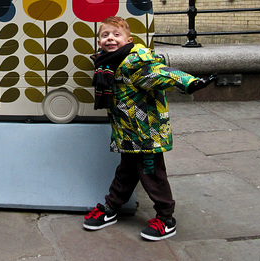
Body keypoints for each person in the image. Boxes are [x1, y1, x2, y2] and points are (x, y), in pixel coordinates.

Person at [82, 16, 215, 241]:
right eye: (105, 35)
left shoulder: (135, 62)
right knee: (126, 172)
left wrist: (188, 81)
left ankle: (166, 219)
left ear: (128, 39)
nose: (110, 39)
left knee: (152, 175)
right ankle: (111, 208)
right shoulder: (108, 63)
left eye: (116, 35)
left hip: (146, 133)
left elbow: (161, 74)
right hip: (127, 131)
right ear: (99, 41)